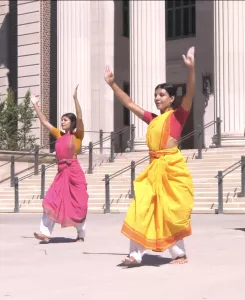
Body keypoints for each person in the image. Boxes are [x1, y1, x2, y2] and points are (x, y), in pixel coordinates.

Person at [104, 46, 195, 265]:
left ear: (172, 98)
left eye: (162, 95)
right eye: (155, 95)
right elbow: (128, 103)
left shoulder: (178, 115)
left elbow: (190, 93)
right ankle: (135, 255)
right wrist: (112, 84)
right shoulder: (153, 119)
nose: (157, 98)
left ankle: (179, 254)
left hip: (171, 169)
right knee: (141, 206)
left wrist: (191, 70)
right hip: (154, 169)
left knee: (169, 212)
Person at [32, 85, 89, 243]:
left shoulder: (78, 135)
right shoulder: (59, 135)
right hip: (61, 172)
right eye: (62, 120)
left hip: (74, 173)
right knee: (50, 200)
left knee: (78, 205)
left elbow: (80, 118)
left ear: (71, 123)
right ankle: (45, 233)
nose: (62, 122)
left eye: (65, 120)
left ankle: (81, 234)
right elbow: (44, 122)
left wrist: (75, 99)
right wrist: (34, 104)